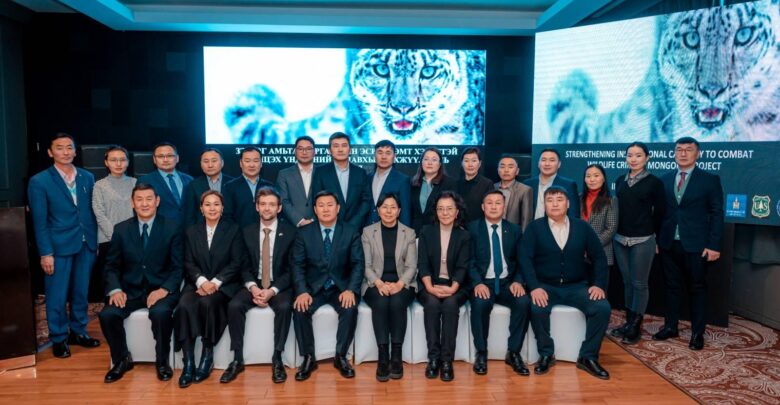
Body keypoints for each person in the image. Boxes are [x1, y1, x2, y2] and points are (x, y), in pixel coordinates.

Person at [520, 186, 611, 380]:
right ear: (544, 205)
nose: (554, 204)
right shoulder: (534, 228)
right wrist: (534, 287)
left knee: (602, 308)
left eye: (559, 199)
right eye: (550, 200)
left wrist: (598, 284)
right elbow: (525, 259)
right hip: (546, 286)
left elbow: (599, 258)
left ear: (568, 204)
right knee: (537, 308)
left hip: (577, 286)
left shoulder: (582, 227)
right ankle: (546, 354)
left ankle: (588, 356)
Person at [99, 183, 182, 383]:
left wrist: (163, 290)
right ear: (132, 203)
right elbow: (111, 265)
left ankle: (162, 361)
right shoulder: (121, 229)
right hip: (130, 291)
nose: (144, 204)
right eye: (139, 199)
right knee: (108, 315)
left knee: (161, 314)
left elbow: (178, 267)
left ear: (157, 201)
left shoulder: (172, 227)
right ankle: (121, 359)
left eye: (149, 199)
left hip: (161, 290)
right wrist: (115, 289)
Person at [28, 133, 100, 358]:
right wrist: (45, 253)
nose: (66, 152)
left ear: (75, 151)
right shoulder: (39, 181)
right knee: (57, 295)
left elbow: (92, 211)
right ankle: (59, 338)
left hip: (86, 243)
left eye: (70, 147)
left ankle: (78, 332)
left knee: (81, 292)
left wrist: (95, 241)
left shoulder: (87, 177)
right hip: (57, 247)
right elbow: (39, 222)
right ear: (50, 152)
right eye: (60, 148)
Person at [654, 137, 724, 351]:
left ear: (698, 154)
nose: (683, 153)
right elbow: (659, 213)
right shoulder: (664, 179)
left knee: (697, 288)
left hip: (697, 245)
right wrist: (656, 240)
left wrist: (714, 245)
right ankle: (670, 327)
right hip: (668, 243)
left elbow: (717, 213)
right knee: (671, 287)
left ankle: (697, 333)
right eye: (679, 149)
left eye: (688, 149)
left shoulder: (709, 180)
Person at [221, 186, 297, 384]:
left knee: (284, 306)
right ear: (256, 207)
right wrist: (253, 288)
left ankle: (277, 358)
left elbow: (292, 269)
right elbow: (243, 266)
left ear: (279, 208)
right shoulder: (246, 231)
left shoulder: (291, 232)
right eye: (263, 204)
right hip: (253, 284)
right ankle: (237, 359)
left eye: (271, 204)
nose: (267, 208)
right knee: (234, 306)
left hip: (278, 285)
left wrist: (272, 291)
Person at [291, 191, 365, 381]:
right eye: (321, 205)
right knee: (300, 309)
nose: (325, 209)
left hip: (340, 287)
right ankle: (308, 358)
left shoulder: (350, 231)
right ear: (315, 210)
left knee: (350, 308)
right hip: (313, 288)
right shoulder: (304, 233)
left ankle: (341, 356)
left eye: (330, 205)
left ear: (338, 208)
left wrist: (351, 289)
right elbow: (297, 265)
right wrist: (302, 291)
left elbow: (358, 264)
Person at [175, 191, 244, 388]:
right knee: (184, 305)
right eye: (207, 204)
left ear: (222, 208)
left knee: (208, 303)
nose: (212, 208)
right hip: (196, 283)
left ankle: (207, 356)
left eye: (216, 204)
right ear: (201, 208)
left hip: (224, 285)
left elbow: (236, 262)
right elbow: (188, 262)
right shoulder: (191, 231)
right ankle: (188, 362)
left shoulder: (233, 230)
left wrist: (215, 283)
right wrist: (202, 282)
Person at [467, 190, 530, 376]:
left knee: (523, 302)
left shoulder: (514, 230)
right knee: (480, 304)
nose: (494, 207)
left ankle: (514, 352)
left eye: (498, 203)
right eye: (489, 203)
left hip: (507, 283)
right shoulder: (472, 229)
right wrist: (477, 283)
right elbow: (468, 261)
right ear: (482, 207)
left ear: (504, 207)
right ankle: (481, 352)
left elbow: (522, 260)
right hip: (483, 282)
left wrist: (518, 281)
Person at [611, 143, 665, 344]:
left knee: (639, 283)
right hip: (620, 239)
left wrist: (656, 238)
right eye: (630, 155)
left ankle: (635, 326)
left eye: (638, 155)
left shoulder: (654, 183)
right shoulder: (620, 180)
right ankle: (628, 322)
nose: (633, 159)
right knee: (627, 282)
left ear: (647, 158)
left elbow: (660, 213)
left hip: (643, 239)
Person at [361, 193, 417, 381]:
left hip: (403, 282)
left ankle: (397, 355)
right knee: (381, 302)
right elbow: (366, 266)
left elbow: (411, 266)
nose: (388, 211)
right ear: (378, 210)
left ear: (399, 211)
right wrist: (378, 283)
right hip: (374, 282)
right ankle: (383, 356)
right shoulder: (368, 232)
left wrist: (400, 284)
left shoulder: (409, 233)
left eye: (393, 207)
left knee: (397, 302)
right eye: (384, 207)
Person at [417, 191, 471, 382]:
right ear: (436, 212)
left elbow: (463, 266)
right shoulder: (426, 232)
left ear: (457, 212)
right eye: (440, 209)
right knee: (432, 305)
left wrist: (453, 288)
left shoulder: (464, 235)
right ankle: (433, 359)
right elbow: (422, 264)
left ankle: (447, 360)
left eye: (449, 209)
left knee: (450, 305)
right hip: (429, 283)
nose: (445, 213)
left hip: (456, 285)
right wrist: (430, 287)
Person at [91, 145, 136, 302]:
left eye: (122, 160)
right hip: (108, 240)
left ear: (128, 162)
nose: (118, 164)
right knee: (111, 279)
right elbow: (99, 213)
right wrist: (116, 237)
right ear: (106, 162)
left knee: (131, 278)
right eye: (113, 160)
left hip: (133, 239)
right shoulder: (99, 185)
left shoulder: (135, 183)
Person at [310, 132, 371, 229]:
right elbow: (316, 200)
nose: (340, 149)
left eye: (344, 145)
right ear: (330, 151)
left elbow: (366, 201)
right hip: (329, 227)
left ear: (350, 150)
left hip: (355, 227)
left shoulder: (360, 173)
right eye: (336, 146)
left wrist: (354, 223)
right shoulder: (320, 172)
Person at [139, 142, 193, 223]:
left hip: (188, 228)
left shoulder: (189, 179)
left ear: (177, 158)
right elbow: (141, 209)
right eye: (160, 156)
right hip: (160, 228)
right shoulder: (145, 181)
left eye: (170, 156)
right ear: (154, 160)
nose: (165, 160)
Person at [181, 148, 233, 228]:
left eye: (214, 161)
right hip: (202, 231)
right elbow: (190, 215)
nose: (210, 165)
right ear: (201, 164)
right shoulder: (193, 185)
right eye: (206, 161)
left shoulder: (233, 183)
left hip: (230, 230)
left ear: (222, 163)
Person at [223, 146, 273, 227]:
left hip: (265, 232)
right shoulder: (230, 187)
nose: (252, 165)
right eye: (247, 161)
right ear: (241, 163)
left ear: (261, 163)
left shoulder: (270, 186)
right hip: (238, 233)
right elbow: (226, 216)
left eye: (256, 161)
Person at [410, 147, 457, 233]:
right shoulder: (413, 183)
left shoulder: (449, 183)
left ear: (440, 164)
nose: (429, 163)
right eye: (426, 159)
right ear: (421, 162)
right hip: (415, 232)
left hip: (438, 231)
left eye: (434, 160)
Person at [366, 140, 411, 227]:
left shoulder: (402, 180)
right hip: (366, 230)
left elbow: (405, 213)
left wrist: (404, 233)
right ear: (374, 155)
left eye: (388, 153)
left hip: (390, 230)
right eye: (380, 152)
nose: (383, 157)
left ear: (394, 156)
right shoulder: (367, 178)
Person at [524, 148, 579, 220]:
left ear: (559, 164)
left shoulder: (568, 185)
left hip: (557, 226)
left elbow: (573, 214)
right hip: (531, 226)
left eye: (552, 160)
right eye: (543, 160)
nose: (547, 164)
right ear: (538, 163)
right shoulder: (527, 184)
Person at [277, 136, 316, 227]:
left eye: (308, 149)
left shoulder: (322, 172)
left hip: (318, 225)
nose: (304, 152)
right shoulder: (284, 174)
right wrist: (300, 220)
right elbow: (283, 200)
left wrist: (313, 220)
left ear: (314, 152)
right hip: (292, 226)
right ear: (295, 151)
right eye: (300, 149)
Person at [456, 147, 494, 223]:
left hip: (478, 226)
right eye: (466, 161)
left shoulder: (487, 184)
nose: (470, 164)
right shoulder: (456, 183)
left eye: (474, 161)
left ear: (479, 164)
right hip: (458, 226)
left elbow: (489, 209)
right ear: (462, 163)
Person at [495, 155, 533, 230]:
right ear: (498, 170)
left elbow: (526, 219)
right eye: (502, 167)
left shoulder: (525, 190)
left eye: (510, 167)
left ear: (517, 171)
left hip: (514, 233)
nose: (506, 170)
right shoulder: (492, 187)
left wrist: (523, 236)